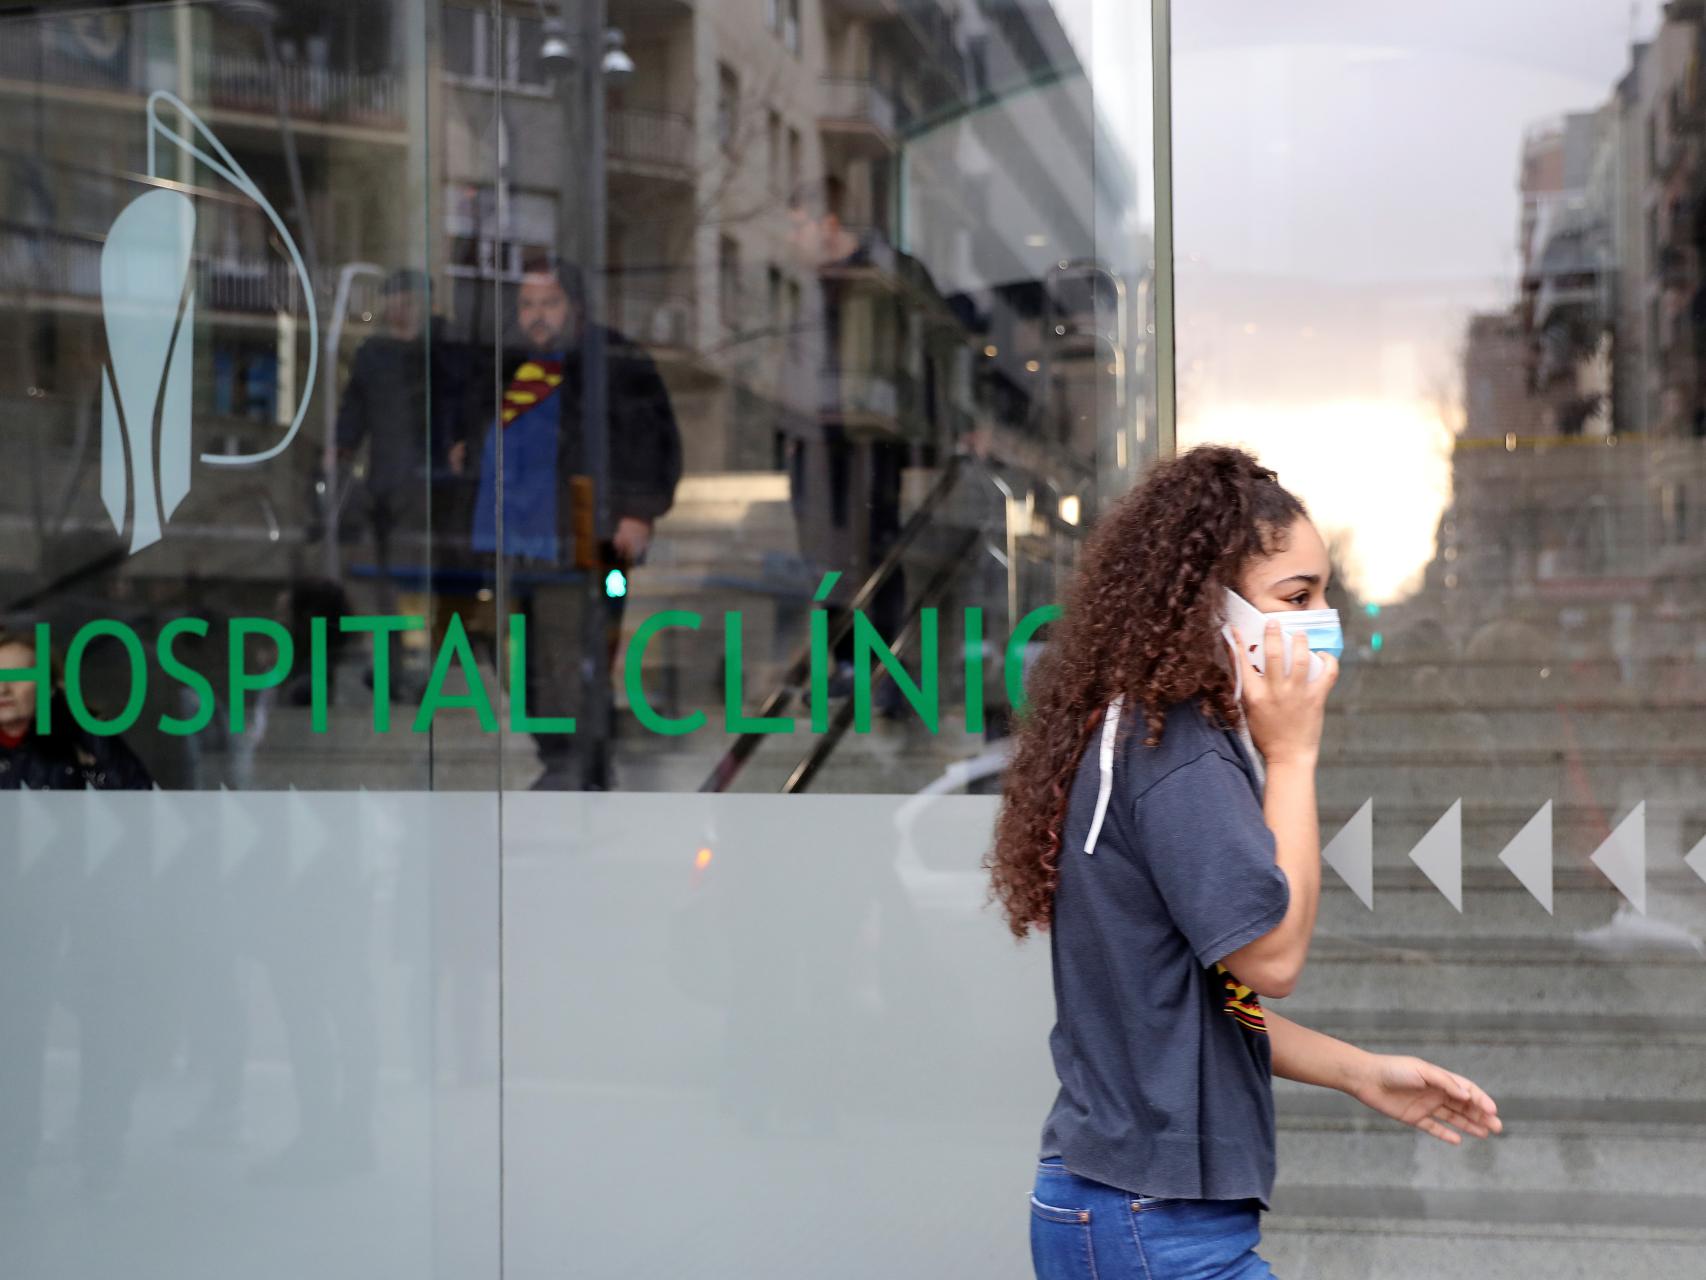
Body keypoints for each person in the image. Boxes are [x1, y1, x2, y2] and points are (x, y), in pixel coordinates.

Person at [987, 447, 1502, 1279]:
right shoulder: (1182, 753)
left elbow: (1185, 1009)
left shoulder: (1149, 735)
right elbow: (1271, 958)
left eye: (1324, 592)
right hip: (1156, 1224)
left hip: (1130, 1208)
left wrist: (1360, 1074)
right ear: (1207, 610)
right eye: (1296, 598)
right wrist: (1295, 757)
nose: (1321, 620)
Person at [453, 258, 682, 789]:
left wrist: (637, 512)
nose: (536, 316)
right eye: (528, 305)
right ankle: (565, 761)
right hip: (506, 544)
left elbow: (650, 440)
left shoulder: (613, 361)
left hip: (581, 541)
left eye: (549, 303)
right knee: (513, 661)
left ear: (574, 307)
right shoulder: (507, 366)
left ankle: (578, 768)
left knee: (573, 657)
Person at [0, 624, 153, 1197]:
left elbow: (135, 802)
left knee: (105, 1035)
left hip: (89, 916)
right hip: (17, 922)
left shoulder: (81, 737)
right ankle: (13, 1155)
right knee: (13, 1039)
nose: (5, 689)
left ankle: (101, 1155)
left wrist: (82, 738)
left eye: (19, 676)